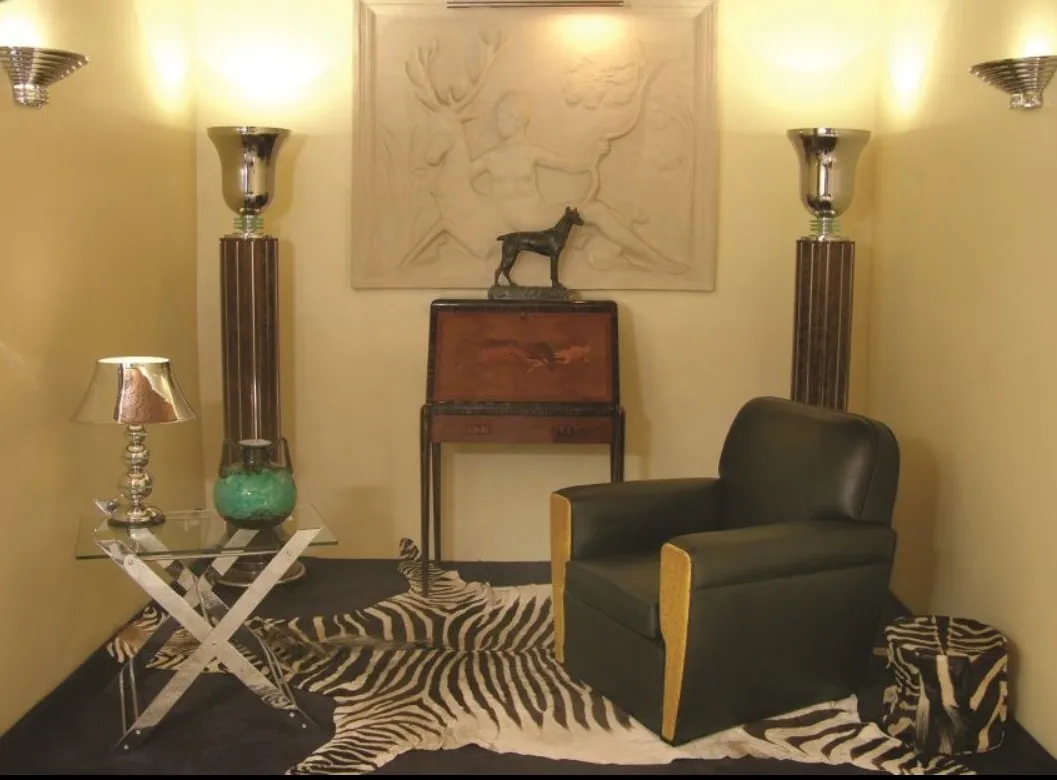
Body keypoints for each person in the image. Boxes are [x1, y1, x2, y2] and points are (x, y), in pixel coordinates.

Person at [469, 91, 687, 274]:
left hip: (540, 213)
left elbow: (572, 166)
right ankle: (652, 258)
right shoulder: (490, 158)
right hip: (525, 221)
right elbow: (464, 179)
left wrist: (595, 154)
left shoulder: (531, 152)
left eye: (502, 118)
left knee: (596, 210)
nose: (497, 124)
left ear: (516, 120)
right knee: (596, 211)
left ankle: (652, 258)